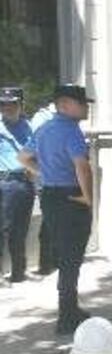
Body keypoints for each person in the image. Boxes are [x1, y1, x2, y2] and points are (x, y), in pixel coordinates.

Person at [20, 85, 96, 334]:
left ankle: (71, 309)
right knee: (71, 260)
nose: (86, 107)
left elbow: (23, 157)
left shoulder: (43, 128)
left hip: (52, 196)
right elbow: (82, 166)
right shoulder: (70, 130)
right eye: (81, 103)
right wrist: (87, 198)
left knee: (66, 258)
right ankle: (66, 318)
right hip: (70, 196)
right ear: (63, 104)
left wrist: (44, 173)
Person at [0, 87, 35, 283]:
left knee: (21, 229)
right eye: (3, 104)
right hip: (4, 183)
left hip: (24, 183)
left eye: (12, 103)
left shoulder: (29, 127)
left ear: (21, 105)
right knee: (2, 229)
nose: (7, 107)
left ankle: (18, 273)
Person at [29, 101, 57, 276]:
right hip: (47, 179)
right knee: (48, 221)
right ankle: (46, 263)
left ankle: (54, 260)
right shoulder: (42, 118)